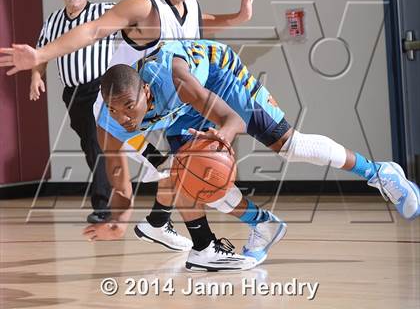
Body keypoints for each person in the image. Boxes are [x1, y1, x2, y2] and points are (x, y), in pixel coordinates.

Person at [0, 0, 258, 249]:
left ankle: (159, 223)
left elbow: (199, 22)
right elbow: (94, 29)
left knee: (176, 167)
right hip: (120, 113)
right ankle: (184, 235)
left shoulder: (187, 6)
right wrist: (41, 58)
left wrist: (238, 17)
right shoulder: (141, 5)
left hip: (154, 111)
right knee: (175, 168)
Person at [82, 39, 420, 270]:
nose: (124, 116)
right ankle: (263, 226)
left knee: (290, 147)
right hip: (183, 111)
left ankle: (378, 172)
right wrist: (118, 221)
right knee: (191, 174)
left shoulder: (174, 79)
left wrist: (222, 135)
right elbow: (120, 183)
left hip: (220, 77)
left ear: (144, 90)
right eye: (115, 110)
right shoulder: (109, 124)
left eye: (129, 106)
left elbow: (232, 118)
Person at [31, 0, 114, 223]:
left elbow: (137, 14)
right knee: (91, 145)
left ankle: (103, 206)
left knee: (94, 142)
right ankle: (115, 193)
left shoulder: (103, 11)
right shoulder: (53, 21)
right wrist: (36, 76)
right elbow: (41, 52)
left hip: (100, 88)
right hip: (73, 94)